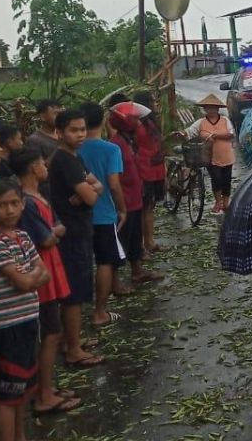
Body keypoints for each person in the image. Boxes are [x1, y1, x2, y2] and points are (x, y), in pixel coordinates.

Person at [0, 178, 50, 441]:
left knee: (24, 389)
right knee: (8, 395)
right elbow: (25, 281)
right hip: (7, 328)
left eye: (14, 203)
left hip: (28, 321)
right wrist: (31, 277)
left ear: (22, 205)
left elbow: (45, 273)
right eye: (1, 205)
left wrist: (30, 277)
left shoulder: (22, 236)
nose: (9, 210)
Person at [13, 149, 78, 415]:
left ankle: (48, 386)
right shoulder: (27, 202)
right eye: (41, 163)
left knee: (53, 329)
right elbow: (47, 238)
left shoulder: (39, 195)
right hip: (41, 272)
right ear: (31, 168)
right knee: (50, 333)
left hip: (52, 267)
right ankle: (44, 395)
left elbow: (57, 227)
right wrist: (55, 232)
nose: (45, 167)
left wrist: (55, 231)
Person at [46, 109, 103, 367]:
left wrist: (84, 192)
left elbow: (97, 185)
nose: (80, 134)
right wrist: (86, 193)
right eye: (74, 130)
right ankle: (73, 349)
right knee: (74, 295)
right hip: (71, 234)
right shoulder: (64, 161)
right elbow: (93, 194)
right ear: (59, 132)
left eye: (82, 129)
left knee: (78, 290)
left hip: (79, 227)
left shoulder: (74, 157)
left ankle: (73, 339)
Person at [76, 103, 126, 327]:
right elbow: (114, 184)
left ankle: (76, 314)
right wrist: (122, 208)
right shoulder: (111, 149)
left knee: (81, 263)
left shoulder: (72, 149)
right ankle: (100, 312)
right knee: (105, 262)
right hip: (104, 214)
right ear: (104, 119)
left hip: (78, 215)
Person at [107, 110, 162, 288]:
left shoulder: (127, 141)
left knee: (134, 236)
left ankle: (137, 271)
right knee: (122, 239)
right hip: (125, 200)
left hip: (135, 197)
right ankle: (114, 282)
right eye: (135, 120)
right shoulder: (117, 144)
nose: (138, 123)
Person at [184, 95, 235, 215]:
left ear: (217, 109)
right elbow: (190, 131)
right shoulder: (201, 122)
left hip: (226, 155)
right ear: (205, 109)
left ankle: (226, 203)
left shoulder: (225, 120)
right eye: (208, 108)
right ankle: (218, 202)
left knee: (226, 180)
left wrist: (216, 136)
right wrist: (183, 133)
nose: (211, 110)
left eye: (213, 108)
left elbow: (231, 134)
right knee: (216, 179)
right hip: (210, 156)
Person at [132, 92, 167, 256]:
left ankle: (149, 241)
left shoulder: (152, 120)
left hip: (156, 166)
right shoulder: (135, 123)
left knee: (150, 206)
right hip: (143, 168)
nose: (155, 104)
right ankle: (140, 245)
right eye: (152, 101)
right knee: (144, 206)